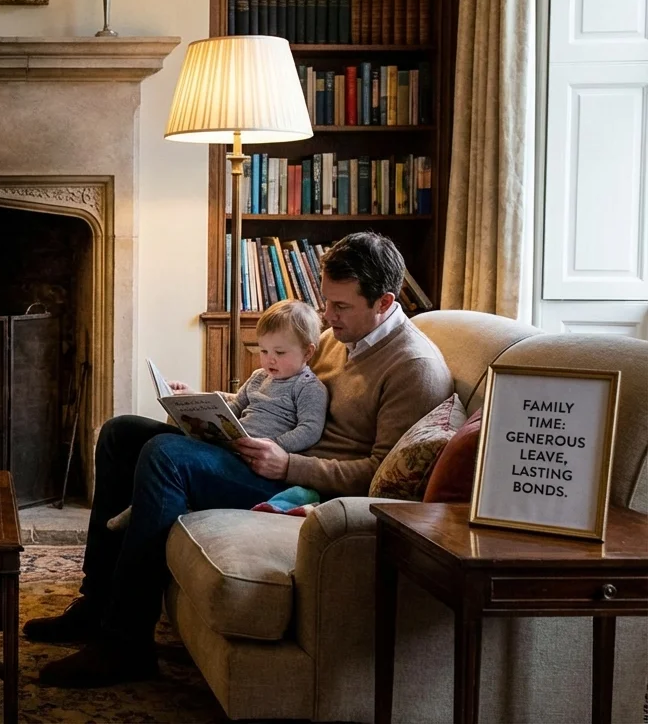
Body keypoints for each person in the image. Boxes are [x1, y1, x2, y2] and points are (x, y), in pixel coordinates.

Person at [28, 231, 453, 688]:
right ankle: (96, 602)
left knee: (164, 455)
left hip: (299, 485)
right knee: (120, 433)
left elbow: (379, 477)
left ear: (385, 302)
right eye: (326, 303)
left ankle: (124, 643)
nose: (327, 318)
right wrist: (209, 405)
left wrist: (287, 465)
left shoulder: (413, 367)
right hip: (269, 455)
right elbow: (277, 397)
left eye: (341, 307)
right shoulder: (344, 336)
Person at [107, 299, 328, 532]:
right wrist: (196, 403)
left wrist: (275, 446)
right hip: (232, 448)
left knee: (164, 449)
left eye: (280, 352)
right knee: (120, 429)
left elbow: (310, 429)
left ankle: (140, 510)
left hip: (260, 466)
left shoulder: (308, 388)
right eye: (263, 350)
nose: (269, 359)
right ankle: (125, 527)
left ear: (308, 352)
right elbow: (234, 406)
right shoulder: (258, 377)